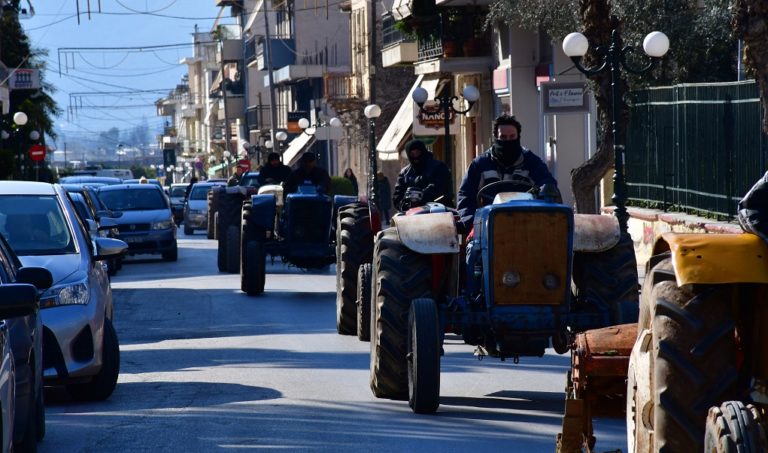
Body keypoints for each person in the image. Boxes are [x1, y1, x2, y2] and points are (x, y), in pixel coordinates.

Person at [456, 113, 557, 233]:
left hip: (526, 224)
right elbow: (465, 196)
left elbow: (547, 183)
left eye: (512, 137)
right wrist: (473, 225)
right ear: (495, 137)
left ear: (518, 137)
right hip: (488, 226)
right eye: (503, 137)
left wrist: (545, 189)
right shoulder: (480, 164)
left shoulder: (532, 162)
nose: (508, 141)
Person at [391, 139, 453, 211]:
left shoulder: (439, 167)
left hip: (438, 211)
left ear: (423, 152)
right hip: (412, 216)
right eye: (412, 154)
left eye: (417, 152)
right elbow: (397, 197)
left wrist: (421, 195)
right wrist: (406, 202)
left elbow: (440, 187)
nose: (415, 157)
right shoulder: (404, 173)